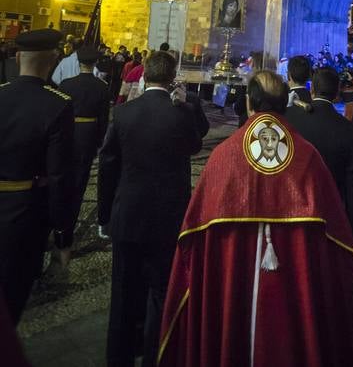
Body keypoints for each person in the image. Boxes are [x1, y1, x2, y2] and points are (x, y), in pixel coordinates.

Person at [158, 70, 353, 367]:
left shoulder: (223, 157)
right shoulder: (308, 157)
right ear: (284, 105)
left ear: (251, 105)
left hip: (230, 285)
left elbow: (195, 236)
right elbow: (339, 241)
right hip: (294, 290)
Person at [98, 50, 207, 367]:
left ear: (144, 74)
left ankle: (117, 358)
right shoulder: (182, 113)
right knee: (162, 293)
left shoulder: (124, 113)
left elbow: (108, 166)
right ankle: (155, 356)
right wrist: (188, 104)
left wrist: (105, 216)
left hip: (128, 215)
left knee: (123, 295)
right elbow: (196, 144)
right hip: (168, 217)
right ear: (173, 77)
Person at [0, 29, 74, 324]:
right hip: (24, 216)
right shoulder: (58, 104)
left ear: (18, 58)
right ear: (54, 60)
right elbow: (59, 176)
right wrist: (62, 236)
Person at [285, 66, 353, 242]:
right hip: (331, 209)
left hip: (293, 206)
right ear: (337, 93)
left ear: (311, 89)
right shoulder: (350, 129)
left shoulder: (290, 118)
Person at [58, 45, 111, 247]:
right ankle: (68, 226)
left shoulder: (66, 84)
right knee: (80, 181)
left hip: (67, 133)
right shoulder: (102, 87)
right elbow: (104, 119)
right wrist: (99, 140)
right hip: (88, 135)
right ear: (95, 63)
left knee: (61, 176)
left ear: (78, 63)